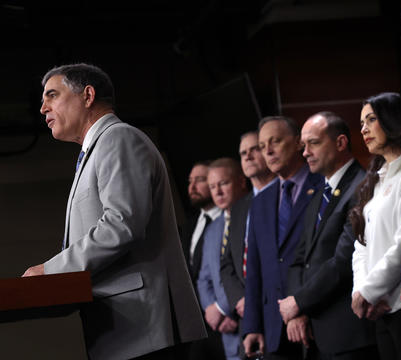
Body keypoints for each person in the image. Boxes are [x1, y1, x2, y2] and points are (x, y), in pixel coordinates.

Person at [22, 63, 206, 359]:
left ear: (88, 95)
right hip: (128, 330)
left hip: (146, 328)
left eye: (52, 95)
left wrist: (50, 270)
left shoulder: (118, 138)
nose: (43, 107)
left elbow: (122, 224)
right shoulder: (96, 149)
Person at [278, 112, 378, 359]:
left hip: (350, 334)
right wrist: (298, 310)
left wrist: (299, 302)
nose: (305, 152)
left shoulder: (362, 186)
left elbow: (343, 262)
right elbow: (299, 259)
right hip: (315, 333)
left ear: (341, 143)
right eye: (304, 145)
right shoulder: (319, 192)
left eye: (313, 143)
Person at [349, 93, 401, 360]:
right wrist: (361, 291)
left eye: (371, 120)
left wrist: (370, 292)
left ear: (393, 120)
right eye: (361, 123)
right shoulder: (377, 177)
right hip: (380, 308)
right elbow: (361, 246)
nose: (363, 129)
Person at [242, 116, 324, 359]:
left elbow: (324, 256)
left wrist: (303, 306)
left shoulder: (323, 186)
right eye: (262, 145)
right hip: (273, 328)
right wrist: (252, 326)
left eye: (275, 141)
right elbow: (255, 268)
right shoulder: (260, 202)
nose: (267, 150)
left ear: (298, 142)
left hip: (315, 320)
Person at [219, 131, 276, 340]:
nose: (248, 156)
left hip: (277, 308)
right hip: (247, 316)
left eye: (255, 149)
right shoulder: (238, 208)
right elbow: (226, 263)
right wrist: (240, 299)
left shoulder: (285, 196)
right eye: (243, 153)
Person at [197, 158, 248, 360]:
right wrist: (213, 312)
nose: (217, 192)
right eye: (212, 186)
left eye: (223, 183)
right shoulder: (213, 228)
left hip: (251, 321)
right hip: (227, 336)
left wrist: (222, 308)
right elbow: (203, 279)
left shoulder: (254, 215)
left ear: (241, 182)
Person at [182, 161, 227, 360]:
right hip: (196, 324)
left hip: (226, 317)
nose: (192, 187)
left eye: (199, 180)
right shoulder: (188, 227)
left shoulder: (230, 218)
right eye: (190, 181)